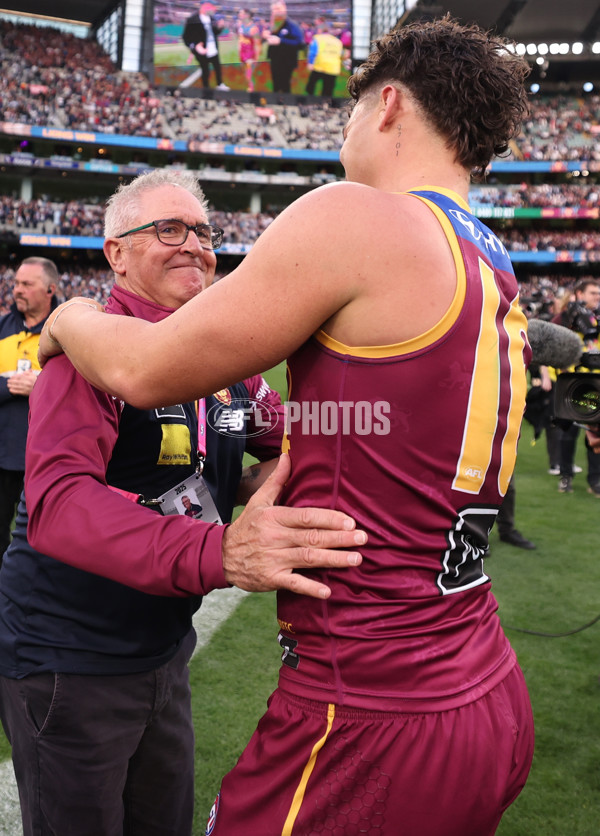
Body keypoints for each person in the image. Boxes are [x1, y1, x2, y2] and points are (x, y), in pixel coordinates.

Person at [40, 17, 534, 835]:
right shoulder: (491, 260)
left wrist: (66, 319)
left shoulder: (358, 216)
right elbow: (380, 414)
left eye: (345, 113)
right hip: (479, 676)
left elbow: (142, 368)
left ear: (385, 107)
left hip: (371, 704)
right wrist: (298, 449)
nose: (340, 134)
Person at [0, 169, 366, 836]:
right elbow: (60, 506)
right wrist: (221, 547)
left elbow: (289, 434)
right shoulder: (87, 356)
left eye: (203, 232)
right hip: (70, 655)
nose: (194, 246)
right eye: (168, 229)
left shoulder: (222, 369)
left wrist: (394, 411)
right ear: (116, 252)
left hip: (163, 647)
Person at [0, 256, 57, 563]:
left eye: (26, 284)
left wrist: (42, 387)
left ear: (50, 289)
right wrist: (8, 386)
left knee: (42, 540)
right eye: (16, 283)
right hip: (3, 456)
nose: (17, 290)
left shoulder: (66, 333)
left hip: (47, 457)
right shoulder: (2, 328)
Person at [553, 279, 600, 494]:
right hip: (573, 379)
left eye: (598, 293)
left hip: (595, 380)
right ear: (580, 294)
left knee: (595, 432)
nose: (597, 296)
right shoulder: (570, 315)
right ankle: (565, 476)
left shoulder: (595, 317)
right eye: (592, 293)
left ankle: (595, 481)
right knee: (568, 430)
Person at [181, 1, 229, 91]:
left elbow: (214, 33)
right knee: (205, 71)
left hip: (214, 49)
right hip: (202, 51)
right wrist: (195, 46)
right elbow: (185, 37)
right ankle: (206, 89)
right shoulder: (192, 19)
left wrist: (220, 27)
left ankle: (220, 84)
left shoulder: (211, 18)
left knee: (218, 68)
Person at [263, 0, 304, 93]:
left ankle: (286, 104)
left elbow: (300, 44)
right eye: (273, 9)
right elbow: (270, 39)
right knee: (276, 84)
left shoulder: (292, 25)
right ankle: (276, 103)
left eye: (277, 9)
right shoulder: (274, 25)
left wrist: (280, 41)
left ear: (284, 9)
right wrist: (266, 36)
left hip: (287, 61)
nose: (275, 11)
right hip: (275, 59)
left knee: (285, 85)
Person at [305, 18, 345, 98]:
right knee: (328, 89)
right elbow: (341, 54)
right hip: (333, 68)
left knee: (311, 86)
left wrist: (310, 63)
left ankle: (310, 101)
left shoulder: (317, 39)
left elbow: (312, 52)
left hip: (320, 66)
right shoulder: (338, 41)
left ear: (320, 30)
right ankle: (325, 105)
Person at [236, 8, 261, 92]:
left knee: (249, 73)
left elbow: (257, 44)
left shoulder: (254, 28)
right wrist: (239, 52)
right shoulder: (241, 26)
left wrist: (256, 58)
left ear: (247, 15)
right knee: (244, 72)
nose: (239, 15)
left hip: (250, 53)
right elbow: (240, 40)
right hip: (242, 53)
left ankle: (251, 89)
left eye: (241, 13)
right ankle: (249, 85)